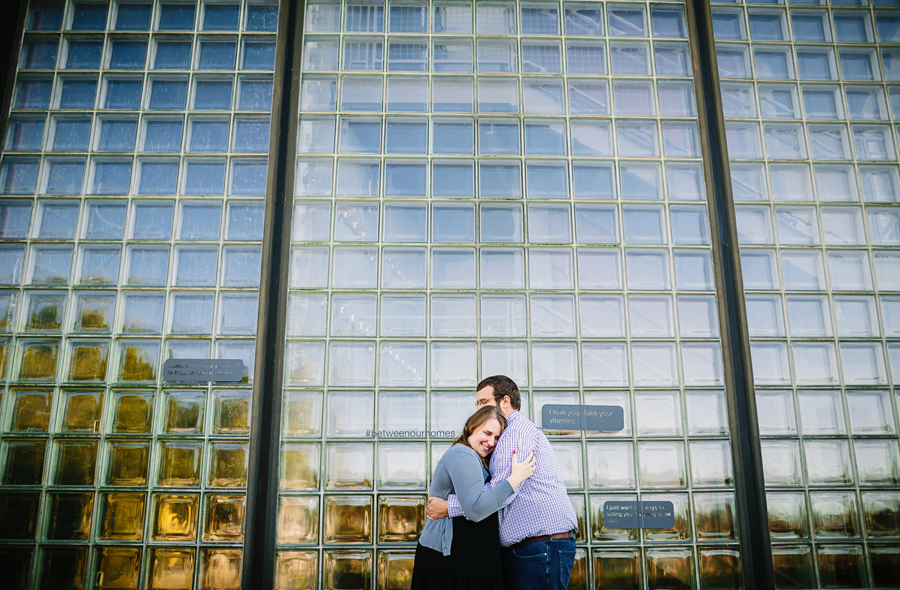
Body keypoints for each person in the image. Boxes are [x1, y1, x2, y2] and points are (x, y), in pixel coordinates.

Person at [426, 375, 578, 590]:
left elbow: (503, 490)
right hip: (536, 547)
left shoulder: (515, 433)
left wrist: (448, 507)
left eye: (484, 402)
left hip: (540, 547)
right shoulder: (505, 435)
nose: (479, 409)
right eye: (477, 403)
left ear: (505, 401)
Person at [411, 405, 536, 590]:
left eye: (496, 437)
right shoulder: (463, 454)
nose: (491, 442)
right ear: (472, 427)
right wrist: (515, 478)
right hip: (447, 558)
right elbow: (476, 509)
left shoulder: (475, 458)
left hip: (463, 555)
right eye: (487, 433)